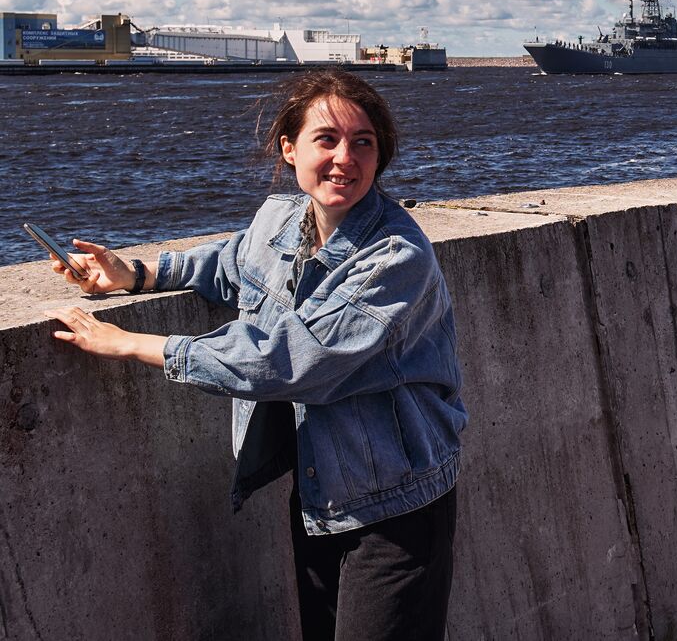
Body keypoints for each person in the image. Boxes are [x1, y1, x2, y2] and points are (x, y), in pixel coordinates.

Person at [45, 69, 468, 640]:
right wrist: (137, 274)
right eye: (327, 139)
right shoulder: (281, 217)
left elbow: (288, 361)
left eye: (363, 142)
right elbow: (232, 263)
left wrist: (132, 344)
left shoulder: (397, 256)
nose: (345, 157)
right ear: (290, 149)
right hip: (324, 494)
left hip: (397, 506)